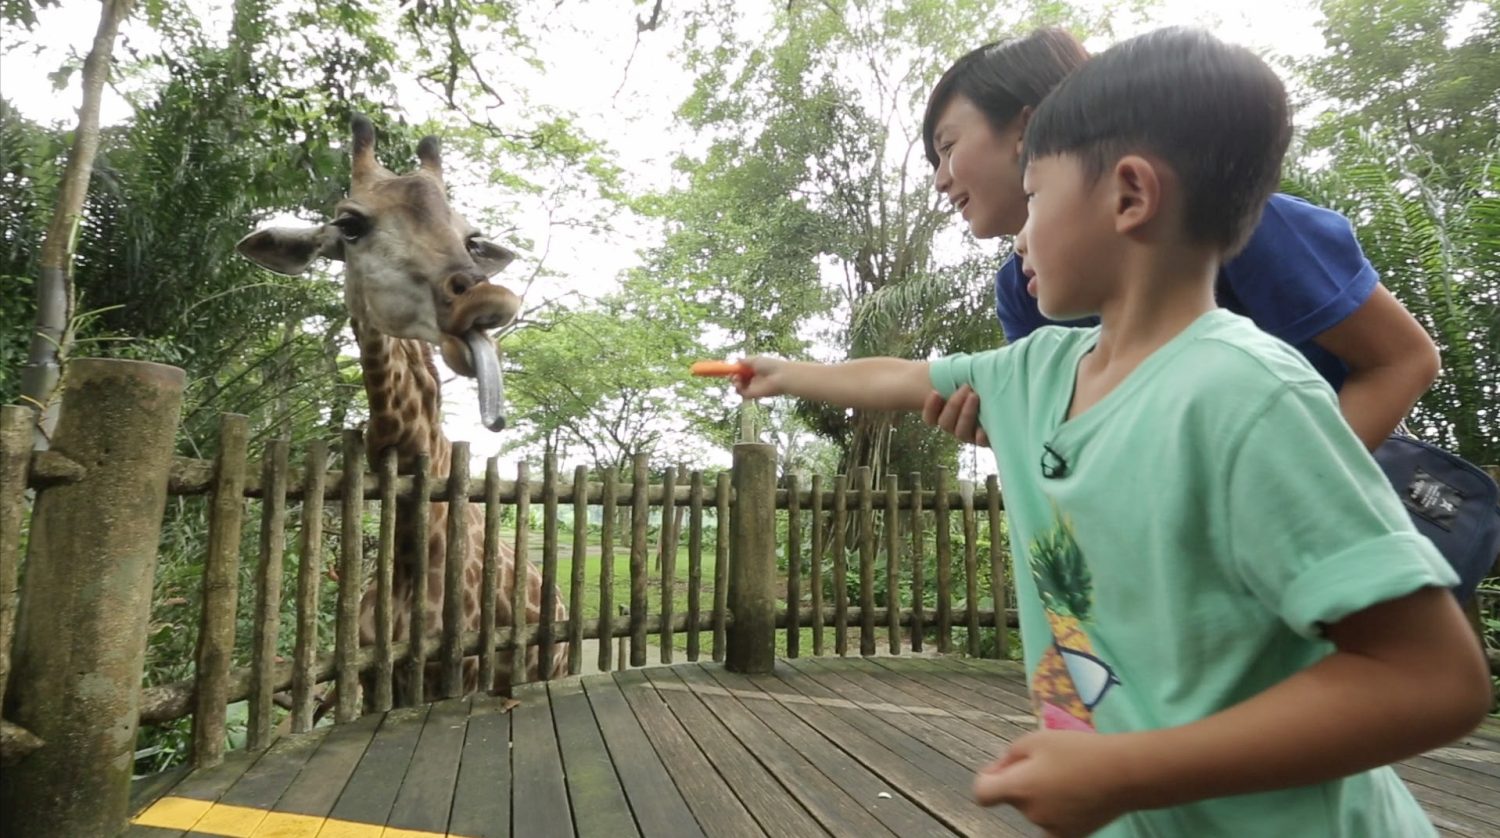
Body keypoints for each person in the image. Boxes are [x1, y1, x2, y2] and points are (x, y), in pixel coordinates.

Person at [734, 28, 1489, 837]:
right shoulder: (1038, 368)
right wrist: (784, 372)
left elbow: (1432, 681)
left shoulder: (1246, 393)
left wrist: (1129, 770)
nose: (1018, 234)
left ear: (1129, 196)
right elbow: (900, 376)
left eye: (1034, 196)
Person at [918, 28, 1439, 453]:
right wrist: (1016, 426)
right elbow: (1097, 438)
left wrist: (1281, 506)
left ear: (1027, 131)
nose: (940, 178)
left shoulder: (1246, 227)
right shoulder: (1021, 291)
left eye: (947, 147)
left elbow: (1402, 359)